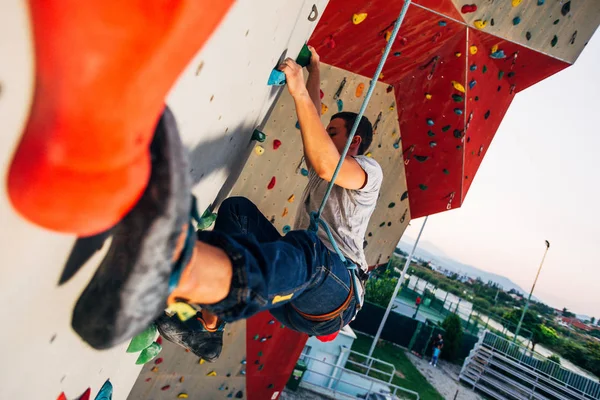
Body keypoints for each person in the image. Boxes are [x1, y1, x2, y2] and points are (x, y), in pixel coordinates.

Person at [157, 46, 383, 361]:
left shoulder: (369, 172)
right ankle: (211, 329)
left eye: (333, 132)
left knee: (308, 250)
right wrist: (314, 69)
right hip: (298, 292)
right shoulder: (325, 166)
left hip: (336, 291)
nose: (323, 135)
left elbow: (327, 164)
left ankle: (196, 284)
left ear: (354, 142)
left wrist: (300, 91)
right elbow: (314, 124)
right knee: (238, 213)